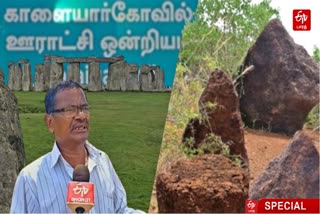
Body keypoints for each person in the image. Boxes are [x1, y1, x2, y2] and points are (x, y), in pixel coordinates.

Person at [10, 81, 143, 213]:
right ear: (50, 122)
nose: (81, 116)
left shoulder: (103, 161)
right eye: (70, 110)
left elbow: (120, 210)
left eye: (84, 108)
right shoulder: (30, 178)